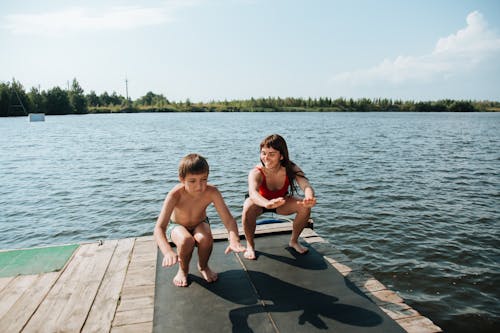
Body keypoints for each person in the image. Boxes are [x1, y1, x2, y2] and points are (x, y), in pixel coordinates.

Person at [154, 153, 245, 287]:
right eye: (192, 181)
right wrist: (167, 251)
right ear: (181, 179)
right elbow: (159, 228)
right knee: (186, 240)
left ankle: (203, 266)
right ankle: (183, 271)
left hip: (200, 223)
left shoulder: (212, 192)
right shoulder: (175, 195)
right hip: (177, 226)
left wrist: (234, 240)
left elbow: (229, 220)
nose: (199, 186)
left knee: (205, 238)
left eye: (204, 179)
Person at [242, 134, 317, 260]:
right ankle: (250, 245)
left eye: (271, 154)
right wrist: (267, 203)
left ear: (281, 156)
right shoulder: (256, 172)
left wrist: (309, 198)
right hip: (260, 203)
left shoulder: (291, 168)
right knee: (248, 206)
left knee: (304, 208)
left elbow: (306, 185)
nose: (266, 158)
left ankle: (294, 241)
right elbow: (253, 193)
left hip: (282, 201)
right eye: (263, 153)